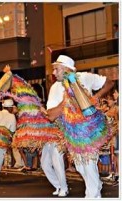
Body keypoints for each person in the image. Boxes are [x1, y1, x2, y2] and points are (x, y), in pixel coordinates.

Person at [46, 55, 114, 198]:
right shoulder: (56, 88)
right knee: (80, 167)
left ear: (66, 69)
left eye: (56, 69)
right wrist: (68, 102)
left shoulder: (85, 77)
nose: (53, 73)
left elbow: (109, 83)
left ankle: (93, 195)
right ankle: (95, 187)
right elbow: (51, 115)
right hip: (72, 134)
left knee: (89, 165)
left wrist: (95, 98)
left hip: (89, 131)